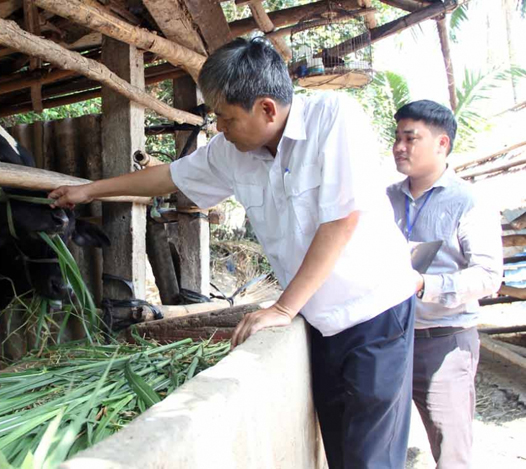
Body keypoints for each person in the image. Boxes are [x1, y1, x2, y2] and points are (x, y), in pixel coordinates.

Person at [50, 37, 420, 468]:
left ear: (266, 108)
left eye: (226, 118)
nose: (219, 128)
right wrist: (89, 190)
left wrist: (282, 309)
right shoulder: (232, 152)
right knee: (341, 448)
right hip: (319, 320)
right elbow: (166, 177)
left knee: (370, 457)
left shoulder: (334, 118)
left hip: (374, 315)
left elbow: (341, 221)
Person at [387, 100, 503, 468]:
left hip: (444, 340)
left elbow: (488, 275)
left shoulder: (469, 201)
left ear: (442, 144)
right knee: (382, 440)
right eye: (396, 137)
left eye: (411, 138)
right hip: (388, 339)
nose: (399, 147)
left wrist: (426, 284)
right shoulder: (384, 198)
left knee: (451, 451)